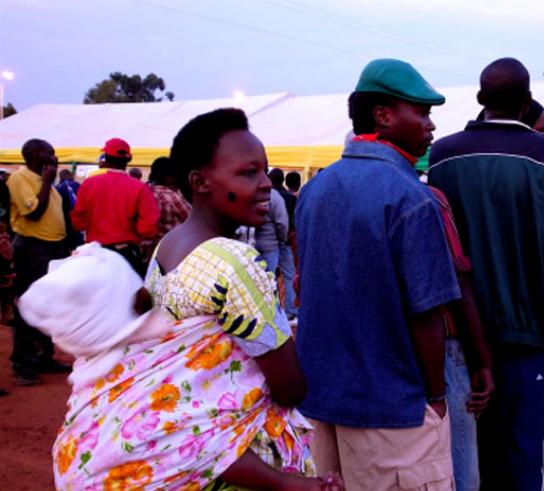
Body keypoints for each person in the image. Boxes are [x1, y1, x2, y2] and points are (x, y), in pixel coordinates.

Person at [23, 109, 341, 490]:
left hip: (180, 460)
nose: (265, 185)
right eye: (247, 172)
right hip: (228, 458)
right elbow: (290, 388)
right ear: (199, 182)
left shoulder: (168, 246)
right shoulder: (234, 261)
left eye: (264, 171)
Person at [295, 59, 459, 490]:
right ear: (383, 116)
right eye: (421, 113)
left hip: (322, 401)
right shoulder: (411, 197)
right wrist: (437, 398)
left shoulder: (314, 190)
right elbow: (427, 315)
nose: (430, 125)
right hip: (394, 410)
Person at [429, 57, 544, 490]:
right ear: (528, 101)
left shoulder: (442, 155)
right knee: (524, 455)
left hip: (460, 333)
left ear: (480, 99)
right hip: (527, 336)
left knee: (470, 457)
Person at [427, 184, 495, 491]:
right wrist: (482, 362)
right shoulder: (429, 199)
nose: (430, 131)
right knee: (460, 459)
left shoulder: (319, 195)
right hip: (443, 345)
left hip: (377, 355)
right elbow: (459, 282)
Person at [8, 139, 71, 386]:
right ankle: (23, 363)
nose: (54, 157)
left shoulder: (47, 182)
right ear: (34, 154)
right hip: (32, 249)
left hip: (52, 248)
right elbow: (34, 213)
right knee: (28, 306)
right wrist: (46, 182)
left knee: (48, 307)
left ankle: (44, 357)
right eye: (49, 152)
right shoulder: (19, 178)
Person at [71, 138, 159, 275]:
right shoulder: (139, 187)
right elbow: (149, 228)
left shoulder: (89, 184)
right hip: (125, 256)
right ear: (128, 159)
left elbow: (78, 222)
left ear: (105, 157)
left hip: (93, 255)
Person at [140, 156, 191, 261]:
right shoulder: (171, 196)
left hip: (143, 253)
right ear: (167, 177)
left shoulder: (142, 193)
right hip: (168, 253)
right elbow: (192, 220)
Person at [267, 168, 298, 320]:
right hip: (284, 241)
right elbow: (285, 222)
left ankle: (272, 312)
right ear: (283, 180)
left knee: (268, 278)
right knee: (289, 275)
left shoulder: (265, 196)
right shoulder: (289, 198)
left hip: (267, 243)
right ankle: (291, 309)